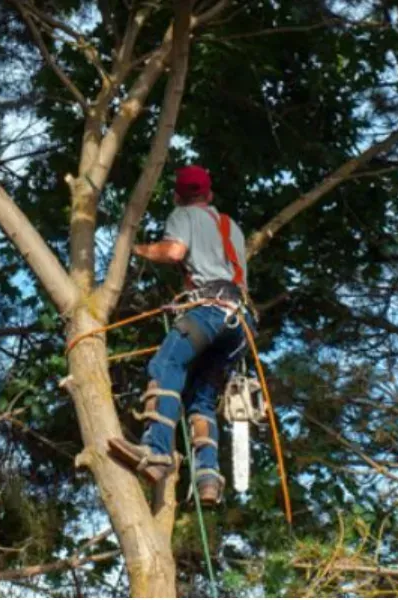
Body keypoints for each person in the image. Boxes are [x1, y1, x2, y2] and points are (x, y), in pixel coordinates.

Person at [108, 165, 255, 506]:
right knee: (202, 397)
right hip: (241, 323)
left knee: (167, 364)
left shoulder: (183, 214)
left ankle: (156, 452)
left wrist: (139, 249)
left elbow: (174, 252)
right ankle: (208, 478)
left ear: (178, 196)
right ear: (210, 195)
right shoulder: (231, 227)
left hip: (209, 310)